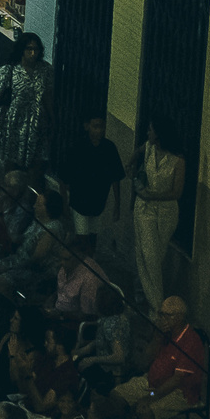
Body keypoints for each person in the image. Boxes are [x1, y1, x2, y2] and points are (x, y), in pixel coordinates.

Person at [131, 114, 189, 313]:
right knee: (147, 255)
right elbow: (137, 152)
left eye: (151, 130)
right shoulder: (148, 148)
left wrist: (152, 195)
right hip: (144, 210)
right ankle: (158, 309)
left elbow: (176, 192)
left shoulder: (177, 160)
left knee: (156, 257)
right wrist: (131, 163)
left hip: (165, 213)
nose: (148, 133)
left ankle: (147, 297)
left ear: (160, 134)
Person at [0, 34, 52, 173]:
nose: (33, 53)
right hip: (14, 126)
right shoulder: (9, 70)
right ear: (22, 50)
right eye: (29, 49)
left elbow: (47, 97)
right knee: (12, 170)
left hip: (37, 126)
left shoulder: (45, 70)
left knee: (35, 168)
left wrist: (53, 122)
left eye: (36, 49)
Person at [59, 111, 125, 237]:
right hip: (79, 202)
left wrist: (117, 205)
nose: (99, 131)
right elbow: (64, 177)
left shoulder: (109, 148)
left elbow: (115, 178)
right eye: (95, 127)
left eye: (102, 127)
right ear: (87, 126)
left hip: (98, 203)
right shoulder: (77, 147)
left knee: (93, 236)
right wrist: (65, 203)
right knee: (81, 236)